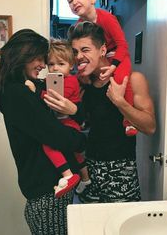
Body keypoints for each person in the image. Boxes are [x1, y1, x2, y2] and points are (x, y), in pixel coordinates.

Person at [0, 29, 86, 235]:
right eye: (39, 59)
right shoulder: (16, 93)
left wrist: (74, 110)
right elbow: (54, 135)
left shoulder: (24, 87)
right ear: (22, 55)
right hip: (47, 194)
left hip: (49, 191)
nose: (43, 65)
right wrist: (81, 140)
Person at [67, 21, 156, 203]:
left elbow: (150, 127)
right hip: (89, 168)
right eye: (75, 52)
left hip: (121, 169)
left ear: (102, 50)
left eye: (85, 49)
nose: (79, 57)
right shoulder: (83, 84)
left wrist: (120, 102)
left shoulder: (132, 79)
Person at [65, 0, 137, 136]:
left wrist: (114, 66)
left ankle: (129, 122)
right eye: (69, 1)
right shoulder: (78, 26)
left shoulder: (107, 18)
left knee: (123, 79)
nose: (74, 3)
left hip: (118, 53)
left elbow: (122, 45)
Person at [25, 39, 91, 197]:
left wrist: (36, 92)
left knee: (48, 145)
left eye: (60, 64)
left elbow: (56, 98)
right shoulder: (52, 80)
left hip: (69, 123)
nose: (55, 68)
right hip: (66, 122)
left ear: (71, 66)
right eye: (51, 64)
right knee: (76, 154)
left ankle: (68, 176)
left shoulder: (70, 81)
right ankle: (86, 178)